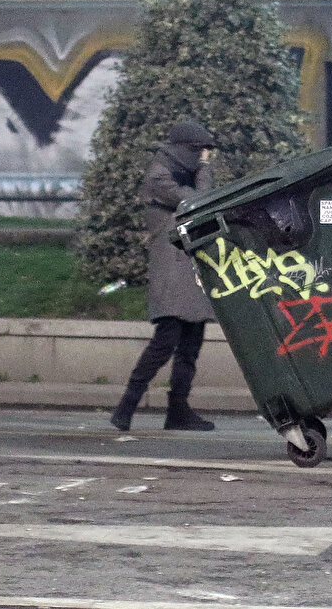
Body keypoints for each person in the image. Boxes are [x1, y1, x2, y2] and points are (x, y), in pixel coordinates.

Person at [110, 119, 219, 432]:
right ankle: (127, 406)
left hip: (188, 269)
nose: (203, 156)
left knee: (191, 344)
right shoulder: (160, 175)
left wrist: (199, 168)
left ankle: (178, 409)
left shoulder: (177, 171)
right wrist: (204, 169)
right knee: (165, 341)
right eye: (199, 151)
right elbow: (199, 202)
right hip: (172, 270)